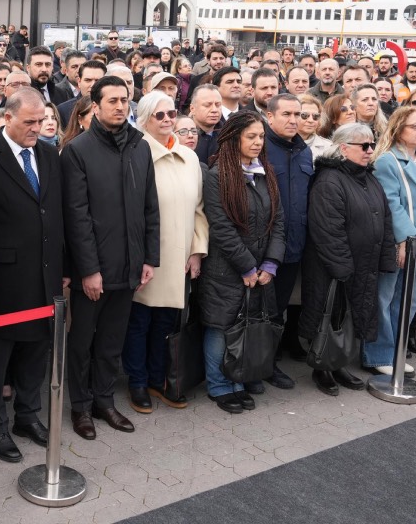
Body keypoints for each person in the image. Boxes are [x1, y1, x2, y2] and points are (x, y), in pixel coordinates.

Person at [0, 87, 61, 463]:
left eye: (42, 122)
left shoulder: (50, 156)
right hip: (3, 279)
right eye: (30, 122)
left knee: (38, 351)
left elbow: (54, 214)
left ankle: (27, 416)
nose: (37, 129)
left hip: (45, 275)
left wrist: (63, 270)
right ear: (7, 118)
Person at [61, 75, 159, 438]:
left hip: (130, 265)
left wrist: (150, 257)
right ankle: (80, 407)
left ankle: (104, 401)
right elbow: (77, 216)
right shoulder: (78, 150)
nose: (120, 106)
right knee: (83, 340)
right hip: (96, 268)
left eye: (125, 100)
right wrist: (88, 270)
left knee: (112, 340)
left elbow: (150, 205)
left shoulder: (140, 145)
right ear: (95, 105)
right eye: (112, 100)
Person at [122, 91, 207, 413]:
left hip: (179, 258)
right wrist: (141, 257)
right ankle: (137, 382)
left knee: (166, 324)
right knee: (139, 323)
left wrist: (197, 251)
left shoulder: (189, 159)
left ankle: (159, 379)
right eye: (160, 115)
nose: (169, 120)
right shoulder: (136, 154)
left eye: (172, 113)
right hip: (147, 259)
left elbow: (200, 210)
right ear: (144, 119)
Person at [197, 111, 285, 413]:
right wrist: (247, 266)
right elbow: (221, 227)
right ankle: (219, 386)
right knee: (222, 327)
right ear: (234, 139)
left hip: (260, 268)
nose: (258, 142)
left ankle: (238, 380)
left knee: (246, 326)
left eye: (261, 136)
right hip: (227, 268)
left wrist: (270, 263)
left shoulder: (265, 172)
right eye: (251, 136)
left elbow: (278, 222)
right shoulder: (218, 175)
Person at [300, 123, 395, 395]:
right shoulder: (329, 179)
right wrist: (342, 267)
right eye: (363, 146)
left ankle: (339, 363)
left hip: (362, 264)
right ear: (343, 148)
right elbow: (328, 229)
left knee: (349, 318)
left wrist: (385, 257)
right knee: (329, 317)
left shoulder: (368, 177)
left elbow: (384, 220)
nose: (369, 151)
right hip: (333, 267)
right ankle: (323, 368)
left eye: (371, 145)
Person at [367, 106, 416, 377]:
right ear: (399, 130)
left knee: (408, 301)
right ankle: (378, 354)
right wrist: (404, 239)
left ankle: (395, 351)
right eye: (415, 126)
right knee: (385, 299)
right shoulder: (388, 161)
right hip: (400, 243)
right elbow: (391, 204)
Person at [262, 93, 313, 376]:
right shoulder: (260, 147)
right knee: (263, 310)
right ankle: (261, 364)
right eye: (287, 115)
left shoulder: (304, 151)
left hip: (294, 245)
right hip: (264, 247)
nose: (295, 120)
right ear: (270, 117)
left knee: (279, 308)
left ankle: (271, 360)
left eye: (299, 115)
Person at [298, 95, 332, 160]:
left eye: (315, 116)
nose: (311, 120)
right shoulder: (280, 144)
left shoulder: (328, 147)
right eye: (304, 115)